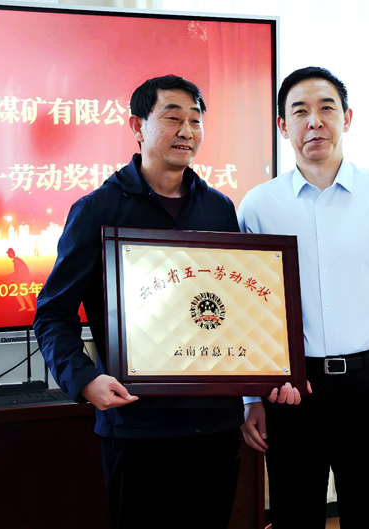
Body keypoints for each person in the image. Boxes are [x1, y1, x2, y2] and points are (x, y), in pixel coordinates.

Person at [33, 75, 245, 529]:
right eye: (172, 118)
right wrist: (84, 379)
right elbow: (53, 314)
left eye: (196, 120)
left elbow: (235, 307)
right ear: (137, 126)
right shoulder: (98, 209)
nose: (186, 131)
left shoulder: (220, 209)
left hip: (215, 425)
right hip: (137, 422)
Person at [237, 67, 369, 528]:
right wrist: (250, 399)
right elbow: (246, 312)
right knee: (294, 513)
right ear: (283, 126)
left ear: (347, 117)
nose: (315, 121)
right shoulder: (259, 205)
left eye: (326, 108)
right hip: (290, 392)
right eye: (300, 111)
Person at [6, 247, 35, 311]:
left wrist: (14, 280)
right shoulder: (17, 260)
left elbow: (19, 272)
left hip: (23, 281)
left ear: (11, 253)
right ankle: (25, 307)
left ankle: (32, 308)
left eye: (8, 253)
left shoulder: (17, 261)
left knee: (24, 295)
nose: (8, 255)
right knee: (19, 295)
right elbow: (17, 272)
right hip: (23, 280)